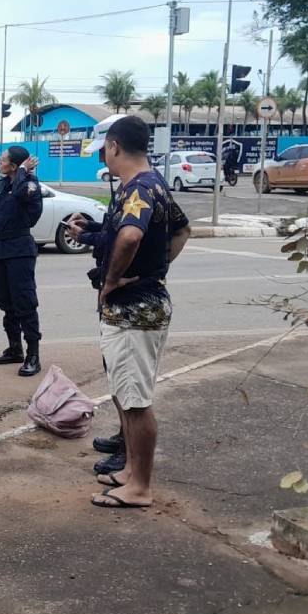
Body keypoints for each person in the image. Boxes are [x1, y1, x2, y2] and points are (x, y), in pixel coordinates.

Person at [68, 115, 191, 509]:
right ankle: (129, 473)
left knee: (135, 400)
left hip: (135, 310)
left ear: (115, 146)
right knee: (124, 392)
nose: (104, 152)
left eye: (105, 146)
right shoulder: (150, 184)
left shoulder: (139, 189)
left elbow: (131, 234)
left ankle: (140, 486)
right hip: (136, 306)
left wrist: (115, 280)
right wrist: (155, 269)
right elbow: (181, 231)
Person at [0, 145, 44, 377]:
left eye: (4, 159)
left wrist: (25, 173)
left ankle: (33, 355)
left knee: (24, 302)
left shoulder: (28, 185)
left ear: (15, 166)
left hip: (19, 251)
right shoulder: (0, 185)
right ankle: (15, 348)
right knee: (5, 300)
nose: (0, 162)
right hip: (1, 251)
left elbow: (21, 198)